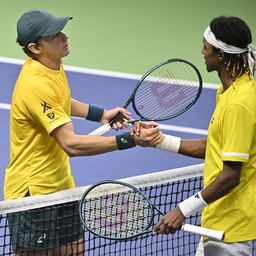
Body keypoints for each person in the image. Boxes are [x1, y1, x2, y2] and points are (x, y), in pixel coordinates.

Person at [4, 8, 163, 256]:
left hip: (61, 184)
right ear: (36, 47)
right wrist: (128, 139)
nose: (64, 35)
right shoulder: (35, 83)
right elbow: (71, 145)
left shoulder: (51, 65)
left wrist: (100, 113)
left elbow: (60, 100)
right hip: (33, 193)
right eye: (54, 34)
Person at [135, 16, 256, 255]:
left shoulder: (239, 104)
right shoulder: (230, 92)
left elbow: (231, 175)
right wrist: (159, 141)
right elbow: (216, 148)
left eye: (206, 46)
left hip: (230, 229)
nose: (202, 51)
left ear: (220, 55)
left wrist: (182, 210)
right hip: (217, 219)